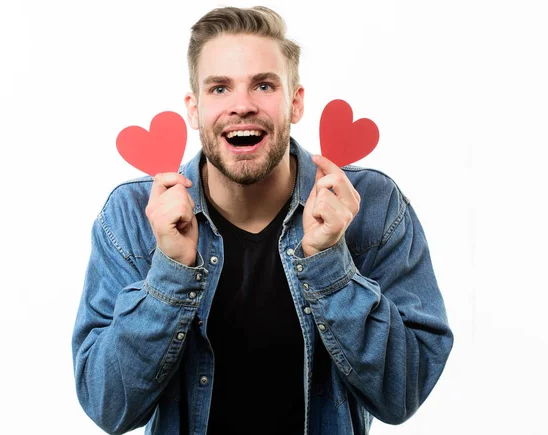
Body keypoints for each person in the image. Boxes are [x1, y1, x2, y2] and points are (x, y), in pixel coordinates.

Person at [72, 6, 453, 435]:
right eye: (219, 88)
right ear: (193, 110)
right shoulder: (130, 215)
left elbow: (402, 395)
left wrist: (329, 264)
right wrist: (170, 274)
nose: (242, 106)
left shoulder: (374, 205)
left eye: (264, 85)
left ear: (295, 102)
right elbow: (108, 407)